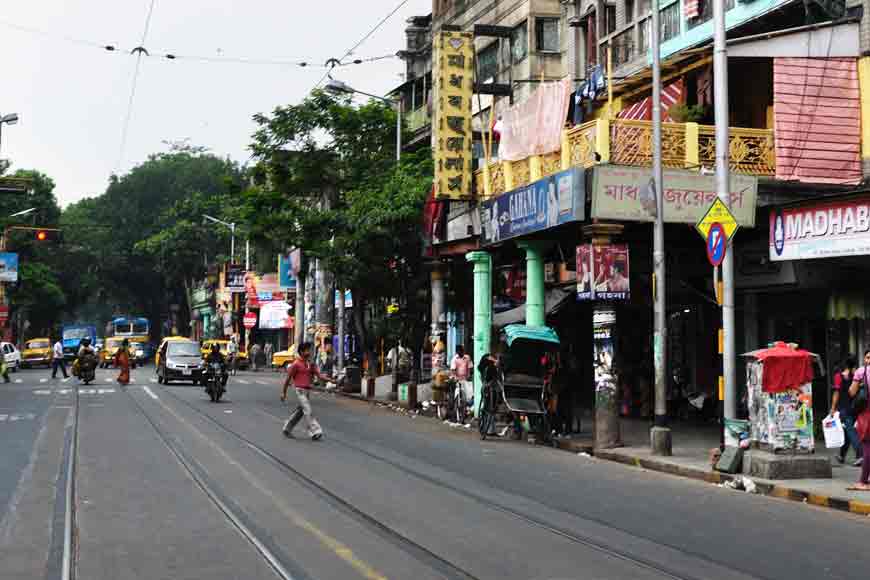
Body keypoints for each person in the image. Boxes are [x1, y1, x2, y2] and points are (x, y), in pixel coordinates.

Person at [282, 342, 325, 440]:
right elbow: (288, 379)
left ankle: (287, 428)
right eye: (307, 350)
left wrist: (332, 380)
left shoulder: (310, 364)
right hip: (300, 391)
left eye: (309, 350)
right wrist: (283, 393)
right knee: (308, 410)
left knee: (300, 411)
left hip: (307, 391)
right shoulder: (296, 364)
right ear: (301, 352)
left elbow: (319, 375)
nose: (309, 352)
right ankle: (315, 431)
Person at [831, 356, 861, 465]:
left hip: (844, 409)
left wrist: (833, 408)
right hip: (854, 408)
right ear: (853, 367)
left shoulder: (838, 377)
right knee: (847, 431)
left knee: (850, 431)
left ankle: (860, 454)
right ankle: (841, 455)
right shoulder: (856, 377)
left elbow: (836, 393)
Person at [847, 350, 870, 490]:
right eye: (867, 357)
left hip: (867, 414)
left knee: (867, 447)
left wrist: (860, 384)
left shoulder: (861, 371)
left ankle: (862, 482)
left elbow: (852, 392)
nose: (868, 360)